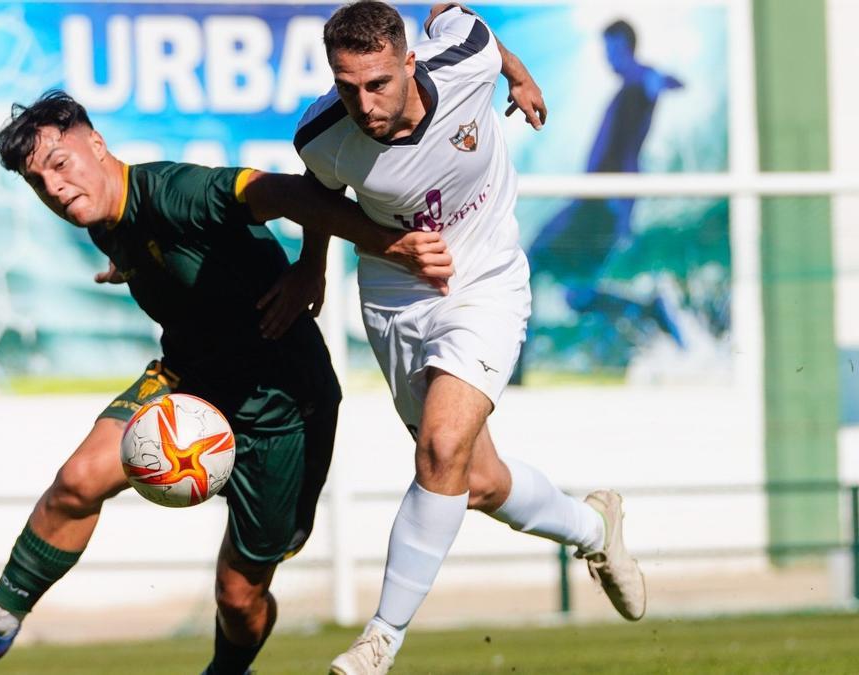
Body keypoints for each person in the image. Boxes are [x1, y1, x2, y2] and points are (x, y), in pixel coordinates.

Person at [0, 90, 454, 674]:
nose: (53, 188)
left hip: (283, 406)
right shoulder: (103, 218)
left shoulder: (177, 193)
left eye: (60, 164)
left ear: (96, 144)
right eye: (37, 182)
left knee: (238, 596)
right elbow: (157, 251)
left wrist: (356, 252)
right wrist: (129, 265)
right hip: (190, 379)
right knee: (78, 480)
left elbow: (293, 191)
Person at [292, 3, 647, 673]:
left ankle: (380, 640)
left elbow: (461, 18)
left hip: (486, 283)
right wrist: (319, 263)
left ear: (409, 61)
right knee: (473, 480)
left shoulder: (466, 59)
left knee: (441, 447)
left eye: (378, 84)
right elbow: (318, 194)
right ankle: (595, 529)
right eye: (347, 86)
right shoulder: (321, 134)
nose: (363, 103)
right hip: (396, 302)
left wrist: (520, 76)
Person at [525, 18, 687, 361]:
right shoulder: (630, 88)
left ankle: (516, 371)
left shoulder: (637, 86)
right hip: (593, 200)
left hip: (601, 204)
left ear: (624, 47)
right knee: (575, 295)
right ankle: (649, 310)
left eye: (611, 51)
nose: (608, 59)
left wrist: (622, 207)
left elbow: (631, 149)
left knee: (535, 260)